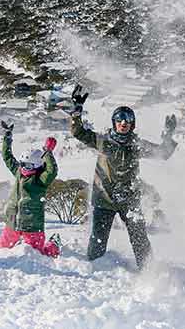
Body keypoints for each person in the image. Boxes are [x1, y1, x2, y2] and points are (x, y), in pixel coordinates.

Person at [69, 85, 178, 269]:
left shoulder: (136, 145)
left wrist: (168, 135)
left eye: (127, 119)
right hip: (104, 198)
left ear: (132, 124)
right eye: (119, 119)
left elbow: (163, 152)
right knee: (97, 241)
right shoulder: (103, 141)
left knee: (140, 238)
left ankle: (148, 271)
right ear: (114, 122)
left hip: (129, 199)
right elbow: (78, 133)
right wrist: (76, 113)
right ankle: (94, 271)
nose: (123, 122)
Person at [0, 120, 61, 257]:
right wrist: (7, 137)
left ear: (37, 166)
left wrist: (48, 152)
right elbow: (7, 157)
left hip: (32, 226)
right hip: (13, 223)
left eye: (29, 166)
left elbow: (52, 171)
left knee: (38, 254)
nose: (24, 168)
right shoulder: (19, 173)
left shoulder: (40, 180)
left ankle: (54, 244)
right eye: (23, 164)